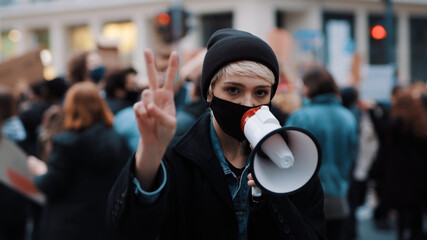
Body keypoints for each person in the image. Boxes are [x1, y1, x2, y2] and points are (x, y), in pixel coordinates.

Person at [107, 28, 326, 240]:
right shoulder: (176, 160)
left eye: (260, 93)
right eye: (233, 90)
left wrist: (276, 196)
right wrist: (150, 154)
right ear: (210, 92)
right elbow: (127, 230)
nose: (248, 103)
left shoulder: (294, 162)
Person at [27, 81, 130, 240]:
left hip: (69, 227)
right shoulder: (118, 140)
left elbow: (50, 185)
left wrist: (39, 171)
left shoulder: (67, 144)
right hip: (105, 225)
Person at [285, 66, 358, 240]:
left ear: (309, 87)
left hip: (305, 196)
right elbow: (352, 155)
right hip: (339, 192)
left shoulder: (300, 117)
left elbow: (286, 157)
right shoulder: (347, 116)